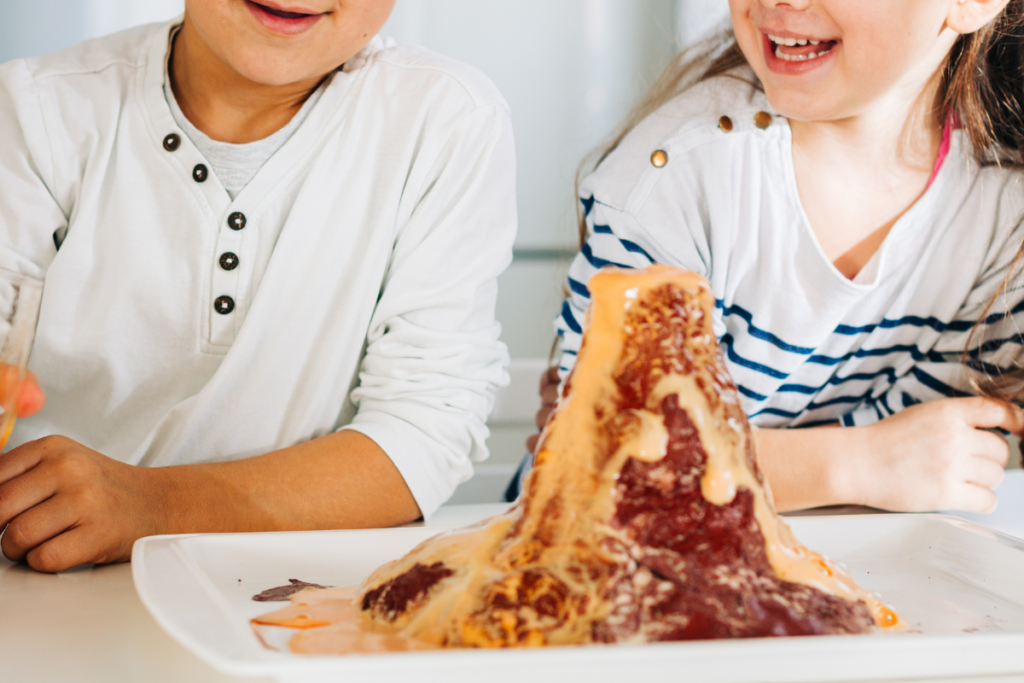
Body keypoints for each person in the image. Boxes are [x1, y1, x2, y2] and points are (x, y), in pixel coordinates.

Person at [0, 0, 516, 572]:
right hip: (38, 574)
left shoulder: (444, 118)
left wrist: (157, 506)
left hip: (296, 596)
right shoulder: (35, 108)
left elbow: (423, 435)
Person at [514, 0, 1024, 514]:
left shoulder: (1004, 212)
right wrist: (857, 464)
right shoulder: (677, 177)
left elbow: (941, 460)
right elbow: (595, 466)